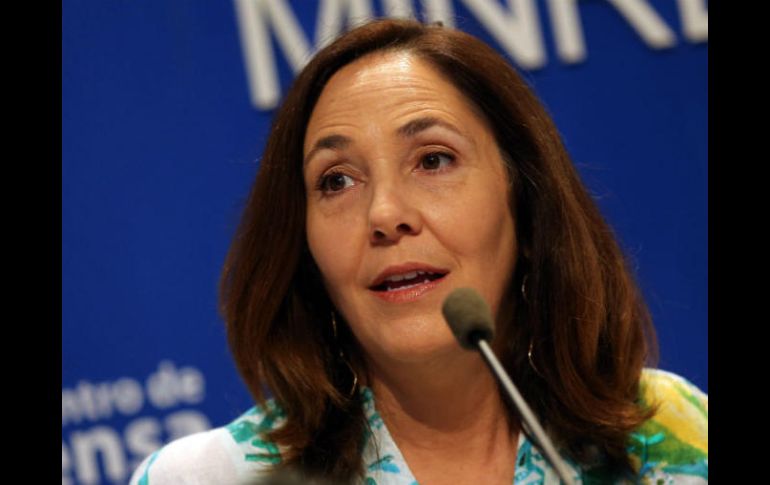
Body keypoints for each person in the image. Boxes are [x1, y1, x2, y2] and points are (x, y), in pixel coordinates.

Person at [130, 18, 707, 485]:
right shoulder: (212, 478)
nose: (384, 215)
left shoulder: (665, 438)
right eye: (336, 180)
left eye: (433, 160)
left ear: (528, 209)